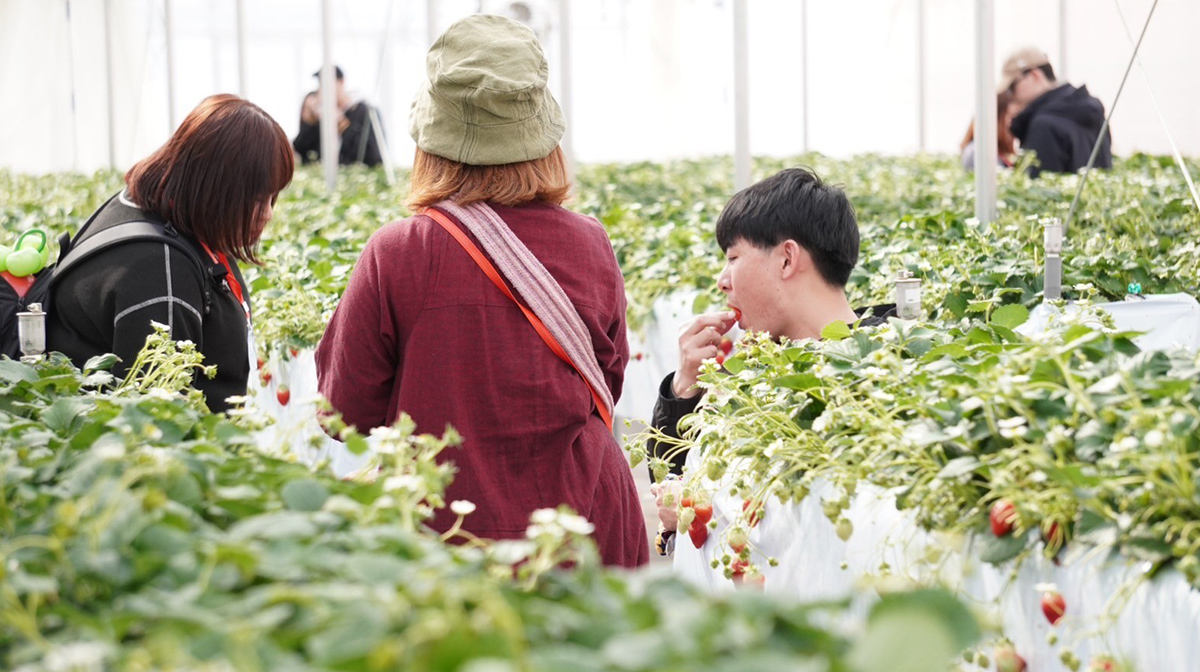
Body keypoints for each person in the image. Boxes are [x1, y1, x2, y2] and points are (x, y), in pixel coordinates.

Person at [315, 15, 648, 568]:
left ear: (431, 139)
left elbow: (342, 412)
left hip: (450, 539)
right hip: (582, 531)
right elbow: (606, 381)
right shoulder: (590, 243)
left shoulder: (399, 251)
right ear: (542, 136)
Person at [646, 168, 896, 552]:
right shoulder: (757, 367)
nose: (722, 280)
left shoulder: (888, 369)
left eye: (733, 257)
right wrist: (685, 388)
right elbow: (672, 482)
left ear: (786, 259)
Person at [48, 94, 293, 413]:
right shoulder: (159, 273)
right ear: (215, 190)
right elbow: (160, 425)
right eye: (258, 200)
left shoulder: (152, 209)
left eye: (273, 198)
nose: (268, 214)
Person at [999, 47, 1112, 178]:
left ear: (1035, 75)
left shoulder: (1044, 125)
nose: (1011, 95)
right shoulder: (1092, 110)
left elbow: (1039, 190)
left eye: (1012, 87)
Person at [292, 66, 385, 167]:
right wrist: (311, 121)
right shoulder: (322, 114)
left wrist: (342, 124)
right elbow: (302, 151)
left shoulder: (366, 111)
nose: (323, 89)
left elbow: (374, 155)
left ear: (341, 82)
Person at [960, 91, 1019, 170]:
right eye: (1011, 116)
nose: (1013, 122)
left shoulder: (1000, 150)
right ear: (995, 118)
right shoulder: (977, 151)